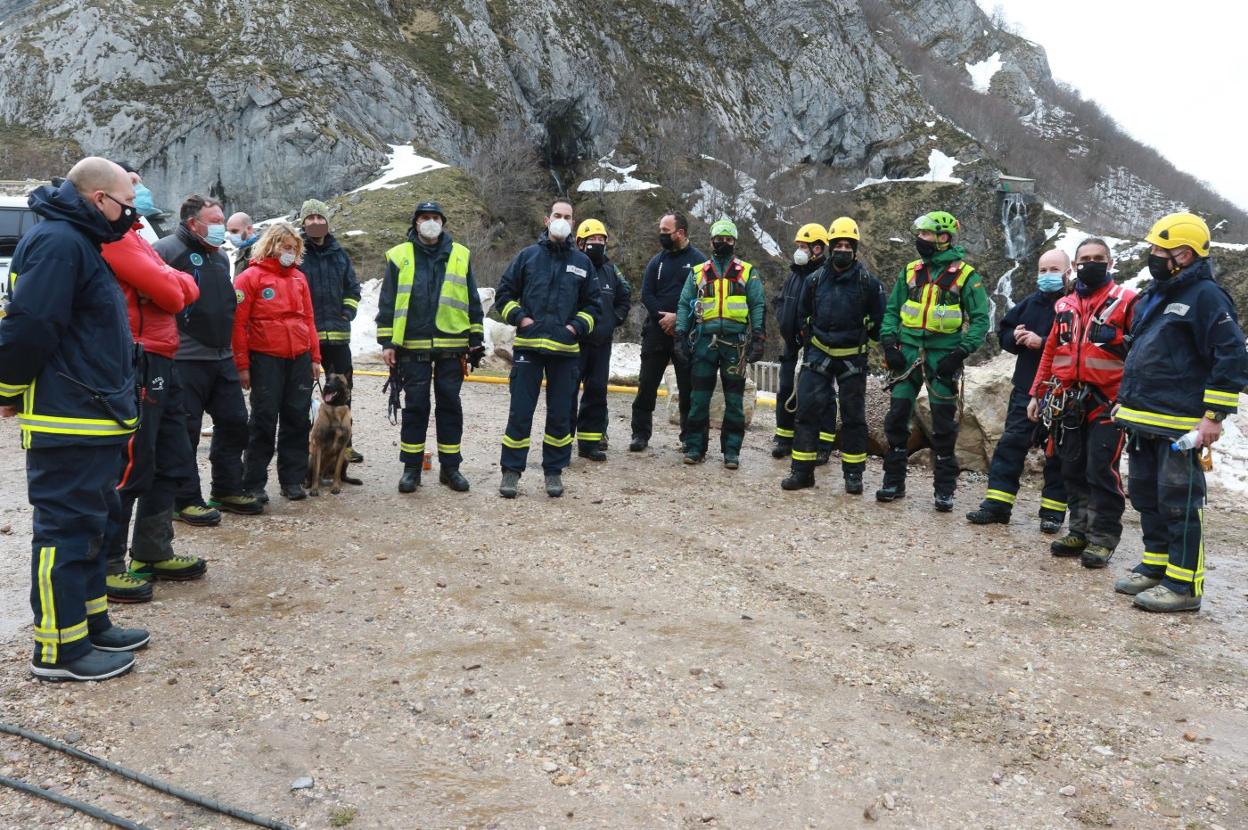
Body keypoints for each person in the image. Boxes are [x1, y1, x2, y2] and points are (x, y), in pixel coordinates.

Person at [0, 157, 148, 681]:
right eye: (125, 208)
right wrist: (6, 386)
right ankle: (58, 650)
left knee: (90, 525)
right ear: (97, 199)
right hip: (69, 419)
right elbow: (31, 325)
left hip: (94, 415)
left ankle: (88, 625)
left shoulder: (80, 243)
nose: (131, 219)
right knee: (64, 531)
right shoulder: (61, 243)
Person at [1112, 213, 1248, 612]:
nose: (1153, 256)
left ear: (1184, 254)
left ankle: (1184, 585)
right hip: (1143, 419)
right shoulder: (1158, 294)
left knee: (1179, 503)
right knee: (1147, 497)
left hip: (1179, 424)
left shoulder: (1207, 296)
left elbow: (1232, 356)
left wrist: (1213, 416)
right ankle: (1155, 568)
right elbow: (1146, 353)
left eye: (1160, 250)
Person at [99, 166, 210, 604]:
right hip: (141, 357)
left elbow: (178, 285)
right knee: (133, 464)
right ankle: (110, 564)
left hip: (164, 355)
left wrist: (171, 283)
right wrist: (171, 284)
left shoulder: (138, 236)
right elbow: (170, 291)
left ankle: (152, 549)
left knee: (172, 456)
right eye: (133, 183)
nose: (140, 190)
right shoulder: (115, 239)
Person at [1026, 239, 1136, 568]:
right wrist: (1037, 393)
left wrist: (1128, 398)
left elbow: (1143, 351)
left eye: (1098, 259)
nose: (1091, 264)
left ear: (1110, 262)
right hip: (1067, 400)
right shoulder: (1064, 305)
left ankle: (1103, 538)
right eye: (1085, 259)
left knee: (1101, 469)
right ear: (1074, 266)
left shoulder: (1127, 301)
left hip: (1108, 401)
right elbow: (1050, 351)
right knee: (1071, 467)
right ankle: (1079, 529)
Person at [153, 195, 262, 519]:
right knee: (184, 431)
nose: (220, 227)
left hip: (221, 356)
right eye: (215, 221)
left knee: (234, 423)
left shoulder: (219, 258)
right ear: (193, 223)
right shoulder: (166, 250)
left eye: (222, 220)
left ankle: (226, 489)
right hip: (185, 357)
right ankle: (183, 500)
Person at [877, 211, 990, 510]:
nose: (920, 240)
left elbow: (980, 320)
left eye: (926, 235)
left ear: (944, 238)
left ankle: (944, 489)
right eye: (920, 234)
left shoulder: (966, 275)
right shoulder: (910, 271)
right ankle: (893, 481)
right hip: (908, 352)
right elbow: (891, 311)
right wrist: (889, 343)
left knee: (943, 426)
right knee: (897, 417)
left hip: (943, 355)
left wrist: (960, 353)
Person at [376, 201, 484, 493]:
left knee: (450, 406)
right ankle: (412, 469)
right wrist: (387, 342)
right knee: (416, 407)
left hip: (452, 345)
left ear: (442, 222)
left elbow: (472, 299)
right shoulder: (400, 256)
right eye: (425, 218)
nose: (430, 222)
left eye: (435, 218)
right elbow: (387, 302)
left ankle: (451, 469)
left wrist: (476, 337)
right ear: (416, 222)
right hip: (412, 345)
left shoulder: (460, 255)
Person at [496, 199, 601, 497]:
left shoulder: (583, 263)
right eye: (557, 215)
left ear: (573, 223)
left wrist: (575, 328)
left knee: (559, 415)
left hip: (565, 353)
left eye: (567, 217)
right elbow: (504, 295)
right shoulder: (527, 257)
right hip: (529, 348)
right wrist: (521, 318)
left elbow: (594, 305)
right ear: (547, 220)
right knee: (520, 412)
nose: (562, 220)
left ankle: (553, 472)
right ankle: (511, 473)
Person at [966, 249, 1069, 533]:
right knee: (1010, 445)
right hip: (1026, 386)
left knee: (1057, 452)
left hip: (1062, 390)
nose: (1048, 275)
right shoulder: (1029, 303)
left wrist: (1043, 341)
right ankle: (997, 505)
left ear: (1068, 272)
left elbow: (1080, 345)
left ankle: (1053, 513)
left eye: (1054, 269)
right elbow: (1004, 332)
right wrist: (1016, 337)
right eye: (1044, 270)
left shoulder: (1074, 305)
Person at [781, 217, 885, 492]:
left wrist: (882, 342)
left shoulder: (868, 284)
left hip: (853, 358)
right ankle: (802, 471)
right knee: (806, 413)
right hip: (819, 354)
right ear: (829, 247)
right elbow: (803, 313)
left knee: (853, 418)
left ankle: (854, 475)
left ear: (854, 248)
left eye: (846, 245)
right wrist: (806, 337)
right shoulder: (815, 280)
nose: (842, 250)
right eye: (837, 245)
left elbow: (879, 321)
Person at [233, 222, 322, 501]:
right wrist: (242, 366)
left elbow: (308, 320)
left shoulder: (299, 278)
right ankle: (254, 482)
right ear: (272, 246)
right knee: (263, 420)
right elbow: (237, 325)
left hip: (298, 357)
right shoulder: (250, 278)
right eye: (286, 247)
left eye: (294, 248)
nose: (290, 252)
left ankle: (292, 481)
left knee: (297, 419)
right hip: (266, 358)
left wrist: (315, 357)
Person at [674, 218, 766, 468]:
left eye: (728, 239)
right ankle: (695, 447)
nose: (723, 243)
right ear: (711, 241)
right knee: (699, 399)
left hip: (735, 344)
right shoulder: (699, 271)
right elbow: (684, 304)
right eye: (719, 239)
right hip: (704, 341)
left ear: (734, 241)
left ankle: (731, 451)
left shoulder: (747, 271)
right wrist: (680, 334)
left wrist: (758, 336)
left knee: (734, 402)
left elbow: (757, 304)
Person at [629, 213, 705, 452]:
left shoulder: (699, 261)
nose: (661, 234)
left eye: (665, 230)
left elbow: (704, 298)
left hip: (686, 335)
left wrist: (679, 319)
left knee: (688, 390)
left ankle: (689, 438)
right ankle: (640, 435)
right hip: (656, 332)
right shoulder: (656, 262)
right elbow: (647, 294)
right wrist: (663, 319)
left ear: (680, 232)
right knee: (646, 386)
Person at [299, 198, 363, 463]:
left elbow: (352, 289)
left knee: (343, 393)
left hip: (337, 338)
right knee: (300, 393)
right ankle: (305, 445)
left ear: (327, 222)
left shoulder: (340, 254)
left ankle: (344, 444)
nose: (315, 222)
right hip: (305, 337)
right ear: (303, 222)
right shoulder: (297, 252)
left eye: (320, 217)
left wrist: (347, 312)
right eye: (310, 217)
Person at [773, 223, 839, 463]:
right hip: (792, 344)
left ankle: (823, 444)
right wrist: (783, 323)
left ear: (818, 249)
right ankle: (784, 438)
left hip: (815, 346)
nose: (799, 251)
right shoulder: (793, 274)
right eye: (799, 246)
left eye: (804, 247)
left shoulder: (826, 277)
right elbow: (781, 302)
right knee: (785, 390)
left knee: (821, 395)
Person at [571, 218, 631, 461]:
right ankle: (561, 444)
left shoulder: (611, 270)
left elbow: (625, 296)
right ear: (580, 243)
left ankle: (590, 443)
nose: (597, 244)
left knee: (596, 392)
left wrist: (614, 319)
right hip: (575, 342)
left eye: (601, 240)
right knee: (566, 393)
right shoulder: (572, 266)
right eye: (592, 240)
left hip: (601, 344)